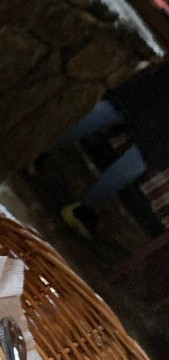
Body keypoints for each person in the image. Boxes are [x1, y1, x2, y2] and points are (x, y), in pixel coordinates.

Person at [58, 59, 169, 238]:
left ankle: (37, 147)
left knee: (113, 110)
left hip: (151, 88)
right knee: (142, 156)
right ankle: (81, 210)